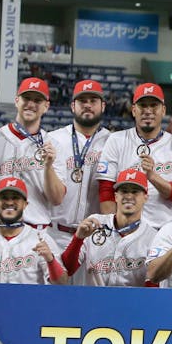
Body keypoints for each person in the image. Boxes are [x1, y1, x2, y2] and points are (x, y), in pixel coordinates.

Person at [96, 82, 172, 230]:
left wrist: (152, 176)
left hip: (163, 231)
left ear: (163, 110)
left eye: (154, 105)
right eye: (143, 106)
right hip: (126, 230)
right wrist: (116, 231)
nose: (148, 111)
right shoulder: (116, 140)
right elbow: (106, 192)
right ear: (134, 110)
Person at [0, 77, 65, 234]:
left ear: (46, 106)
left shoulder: (54, 146)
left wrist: (48, 167)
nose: (31, 104)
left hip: (34, 231)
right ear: (16, 101)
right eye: (26, 98)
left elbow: (57, 199)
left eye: (37, 100)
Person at [0, 177, 68, 284]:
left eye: (15, 198)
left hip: (26, 301)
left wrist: (51, 260)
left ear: (25, 204)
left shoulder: (41, 239)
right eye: (4, 198)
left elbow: (62, 283)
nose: (10, 202)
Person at [61, 168, 157, 287]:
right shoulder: (95, 224)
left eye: (135, 192)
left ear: (145, 198)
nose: (128, 196)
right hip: (93, 301)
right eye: (124, 191)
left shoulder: (153, 238)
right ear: (116, 196)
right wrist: (78, 238)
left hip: (131, 303)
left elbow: (153, 286)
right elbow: (68, 268)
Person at [47, 79, 110, 252]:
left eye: (93, 101)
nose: (88, 105)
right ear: (73, 106)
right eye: (82, 101)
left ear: (103, 106)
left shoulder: (113, 141)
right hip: (55, 234)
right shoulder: (53, 139)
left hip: (95, 236)